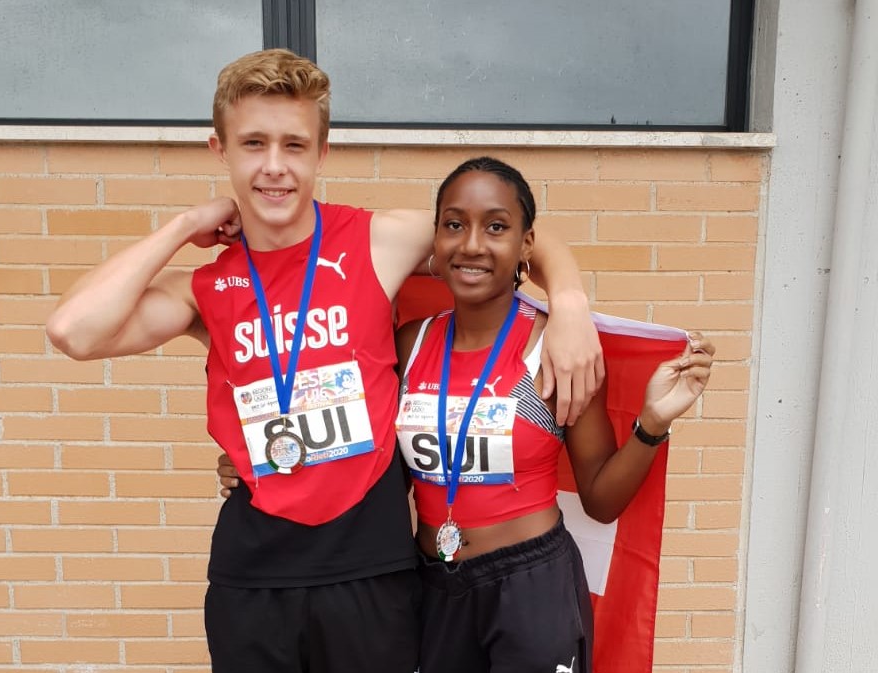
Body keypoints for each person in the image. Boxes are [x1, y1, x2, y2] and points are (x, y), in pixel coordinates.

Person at [45, 49, 604, 673]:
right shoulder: (204, 288)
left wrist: (572, 307)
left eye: (295, 145)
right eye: (254, 144)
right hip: (254, 573)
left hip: (370, 565)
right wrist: (184, 223)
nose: (275, 167)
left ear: (322, 152)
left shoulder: (375, 241)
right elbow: (73, 330)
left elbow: (513, 229)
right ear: (219, 150)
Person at [218, 156, 716, 672]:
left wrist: (652, 425)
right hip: (432, 583)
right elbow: (347, 443)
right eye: (454, 224)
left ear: (526, 245)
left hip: (530, 587)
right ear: (435, 240)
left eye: (496, 227)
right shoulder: (409, 345)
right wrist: (261, 460)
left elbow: (601, 500)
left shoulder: (558, 350)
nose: (472, 244)